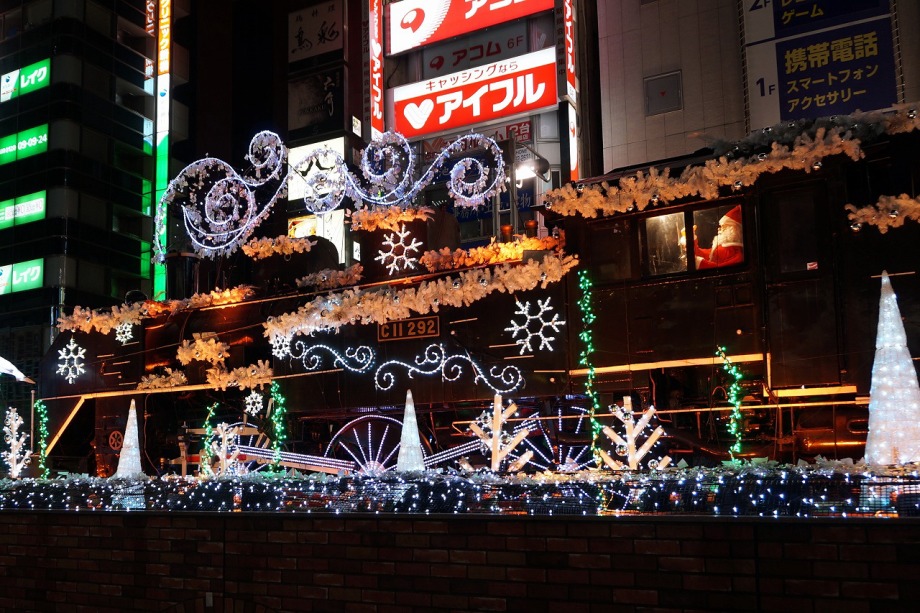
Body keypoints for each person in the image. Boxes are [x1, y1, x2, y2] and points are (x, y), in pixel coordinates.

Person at [695, 205, 743, 269]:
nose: (719, 229)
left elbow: (721, 269)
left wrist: (700, 263)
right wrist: (692, 241)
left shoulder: (737, 253)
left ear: (733, 230)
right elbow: (705, 254)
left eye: (723, 226)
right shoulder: (725, 247)